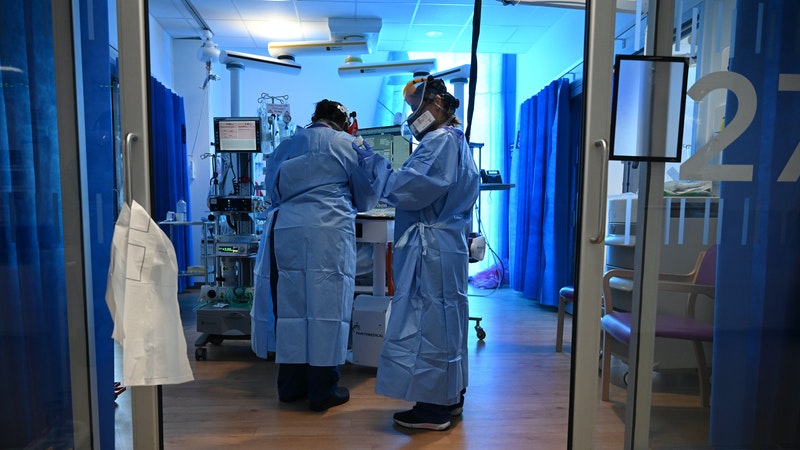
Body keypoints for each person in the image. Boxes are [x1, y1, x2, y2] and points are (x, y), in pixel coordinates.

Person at [354, 76, 480, 430]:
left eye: (416, 107)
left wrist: (367, 155)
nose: (413, 116)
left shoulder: (439, 142)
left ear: (436, 103)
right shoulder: (458, 140)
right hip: (447, 246)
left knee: (427, 325)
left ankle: (432, 409)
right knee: (449, 322)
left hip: (431, 250)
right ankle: (450, 397)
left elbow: (404, 188)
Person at [251, 99, 379, 412]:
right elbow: (366, 197)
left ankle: (290, 387)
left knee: (291, 308)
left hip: (289, 231)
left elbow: (272, 192)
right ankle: (322, 390)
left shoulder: (287, 144)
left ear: (315, 117)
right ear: (344, 122)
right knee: (328, 307)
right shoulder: (347, 144)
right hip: (329, 232)